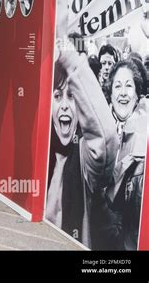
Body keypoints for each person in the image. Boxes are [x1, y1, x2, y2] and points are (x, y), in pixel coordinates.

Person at [46, 37, 118, 248]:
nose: (66, 106)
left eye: (72, 97)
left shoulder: (85, 154)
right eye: (58, 96)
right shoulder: (42, 154)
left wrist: (70, 60)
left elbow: (106, 140)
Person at [91, 59, 147, 250]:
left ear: (137, 95)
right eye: (118, 86)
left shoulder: (145, 134)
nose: (123, 92)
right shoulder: (96, 131)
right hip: (96, 235)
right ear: (110, 93)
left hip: (130, 239)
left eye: (129, 86)